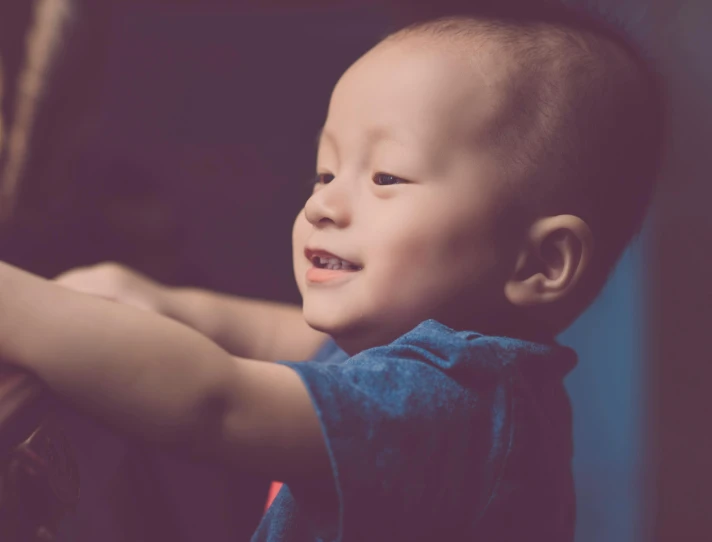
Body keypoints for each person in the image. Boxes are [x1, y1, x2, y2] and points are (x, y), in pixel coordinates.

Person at [0, 5, 666, 541]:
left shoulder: (443, 410)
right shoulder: (452, 370)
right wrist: (170, 302)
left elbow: (213, 401)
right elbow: (281, 337)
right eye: (324, 171)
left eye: (385, 176)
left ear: (539, 263)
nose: (322, 204)